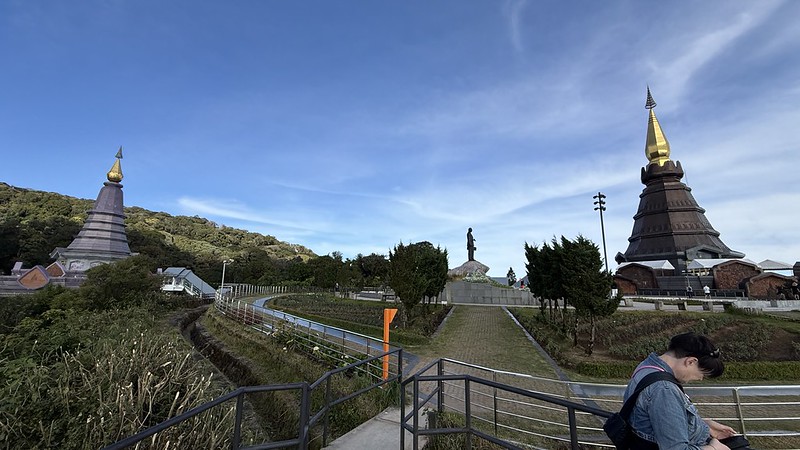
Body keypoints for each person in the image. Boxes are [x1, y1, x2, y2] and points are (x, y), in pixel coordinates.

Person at [624, 332, 739, 449]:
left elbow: (658, 421)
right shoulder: (664, 389)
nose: (700, 379)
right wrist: (713, 448)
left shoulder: (647, 366)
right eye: (702, 374)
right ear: (691, 361)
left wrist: (704, 426)